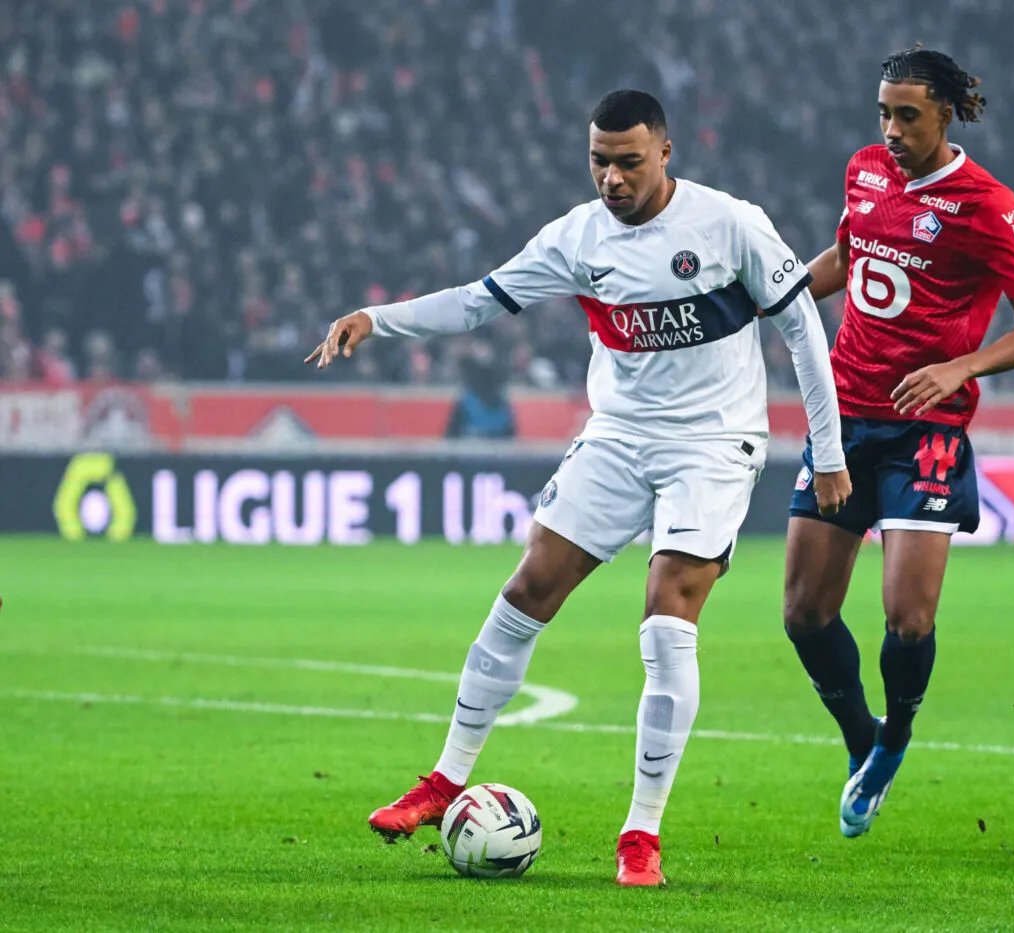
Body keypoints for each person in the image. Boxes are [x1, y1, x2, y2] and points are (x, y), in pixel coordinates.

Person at [306, 90, 849, 886]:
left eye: (629, 161)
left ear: (666, 153)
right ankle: (446, 777)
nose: (613, 178)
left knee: (667, 617)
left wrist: (826, 452)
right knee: (528, 587)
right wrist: (377, 318)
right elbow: (477, 301)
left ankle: (641, 833)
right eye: (600, 160)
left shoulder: (730, 223)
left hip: (712, 444)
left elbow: (801, 327)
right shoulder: (577, 237)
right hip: (619, 436)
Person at [782, 47, 1014, 838]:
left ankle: (895, 740)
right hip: (842, 418)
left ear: (946, 113)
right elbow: (850, 255)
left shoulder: (988, 205)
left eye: (908, 115)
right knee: (804, 612)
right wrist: (783, 293)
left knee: (906, 617)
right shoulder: (865, 170)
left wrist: (961, 367)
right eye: (883, 113)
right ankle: (862, 742)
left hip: (927, 431)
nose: (892, 130)